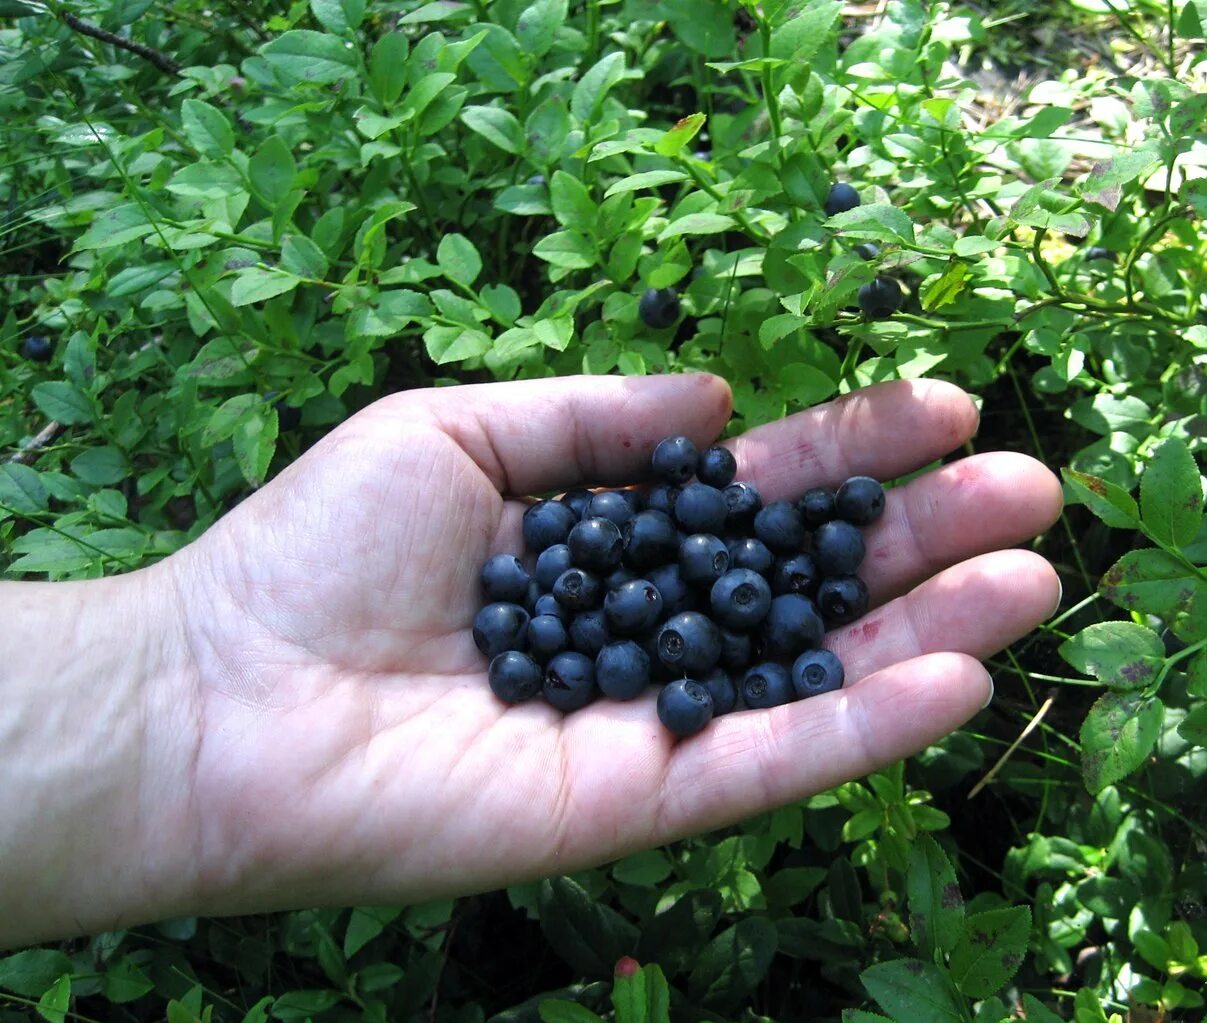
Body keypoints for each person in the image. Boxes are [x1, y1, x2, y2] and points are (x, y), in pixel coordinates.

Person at [0, 374, 1062, 951]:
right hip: (613, 636)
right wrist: (185, 666)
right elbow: (669, 593)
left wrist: (168, 681)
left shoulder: (672, 582)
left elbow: (699, 587)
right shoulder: (614, 594)